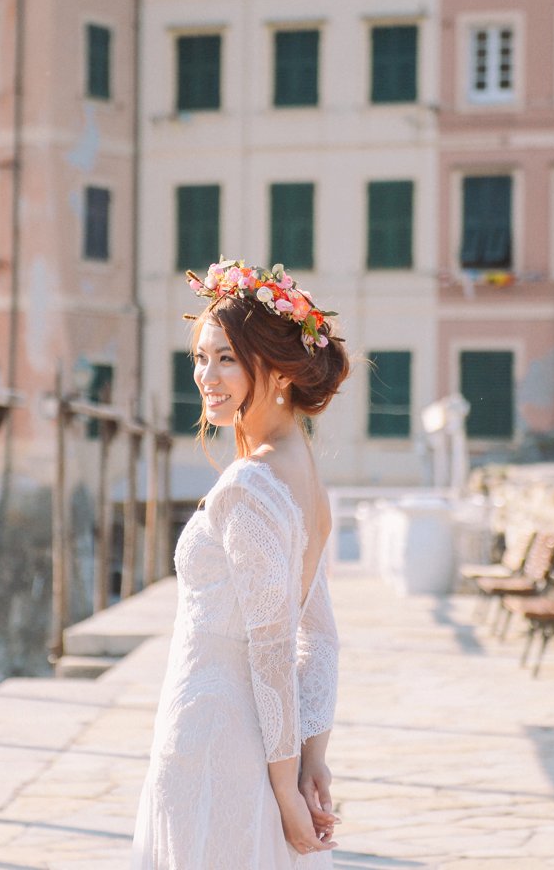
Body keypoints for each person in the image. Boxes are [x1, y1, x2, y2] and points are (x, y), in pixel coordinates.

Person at [132, 260, 351, 868]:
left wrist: (286, 791)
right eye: (200, 358)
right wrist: (310, 759)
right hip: (248, 739)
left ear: (278, 368)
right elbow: (322, 638)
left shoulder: (248, 486)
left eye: (226, 358)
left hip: (214, 741)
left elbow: (277, 647)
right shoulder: (304, 474)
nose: (207, 376)